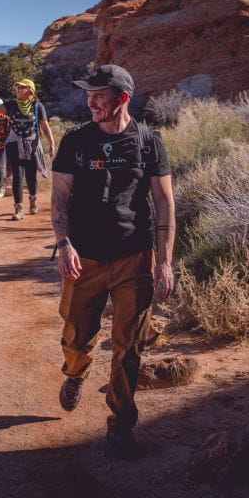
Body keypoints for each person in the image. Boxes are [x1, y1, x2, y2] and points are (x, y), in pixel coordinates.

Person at [49, 65, 175, 457]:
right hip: (82, 258)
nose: (90, 101)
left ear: (122, 98)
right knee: (75, 335)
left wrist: (164, 262)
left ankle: (120, 423)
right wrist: (64, 243)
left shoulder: (148, 142)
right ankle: (76, 372)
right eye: (88, 94)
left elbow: (164, 203)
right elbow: (58, 197)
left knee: (128, 346)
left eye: (98, 94)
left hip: (132, 258)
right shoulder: (75, 140)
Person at [0, 79, 55, 220]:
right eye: (17, 87)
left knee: (31, 176)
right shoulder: (11, 105)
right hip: (14, 144)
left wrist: (52, 143)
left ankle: (33, 200)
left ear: (30, 90)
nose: (17, 89)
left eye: (21, 87)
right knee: (17, 175)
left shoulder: (37, 106)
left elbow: (45, 127)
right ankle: (18, 209)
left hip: (32, 144)